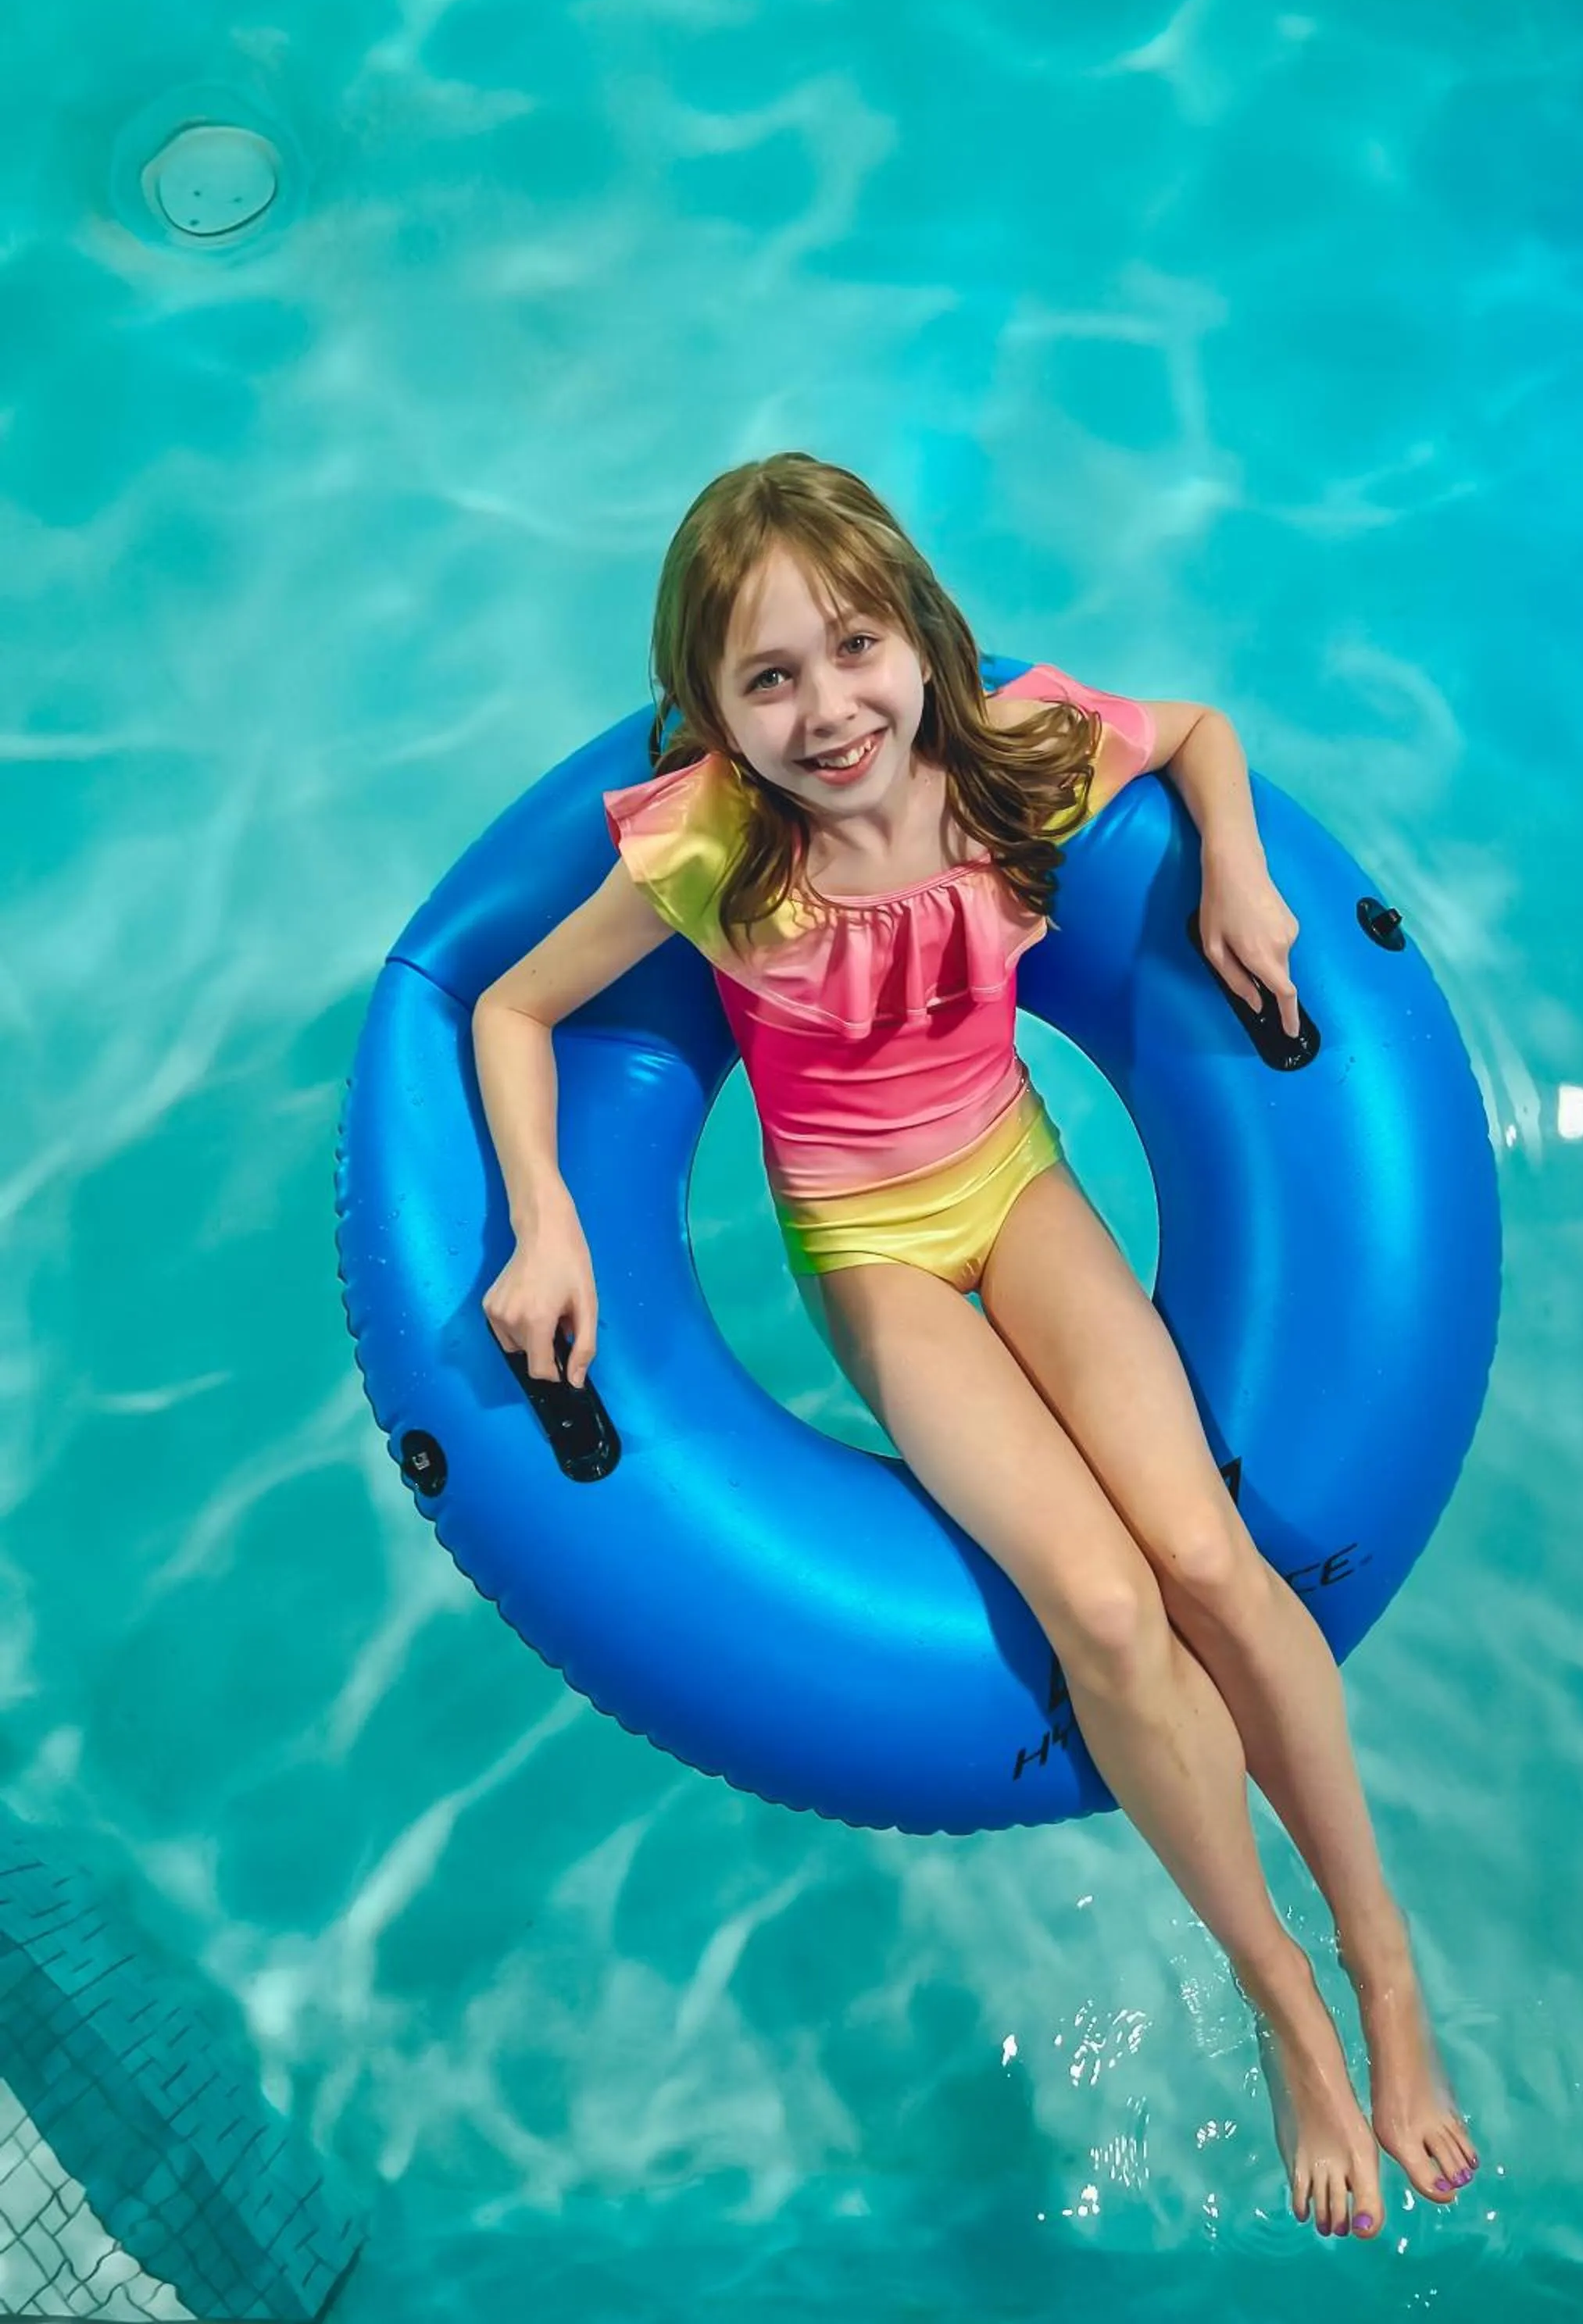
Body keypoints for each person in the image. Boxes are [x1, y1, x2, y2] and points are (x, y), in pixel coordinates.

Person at [471, 452, 1478, 2240]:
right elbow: (510, 1005)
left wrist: (1235, 876)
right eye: (766, 680)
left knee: (1210, 1565)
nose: (825, 707)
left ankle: (1385, 1967)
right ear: (710, 709)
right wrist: (551, 1218)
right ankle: (1284, 2002)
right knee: (1100, 1604)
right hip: (873, 1251)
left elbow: (1201, 732)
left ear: (918, 639)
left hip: (1014, 1185)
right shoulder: (713, 847)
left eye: (854, 649)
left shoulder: (1014, 759)